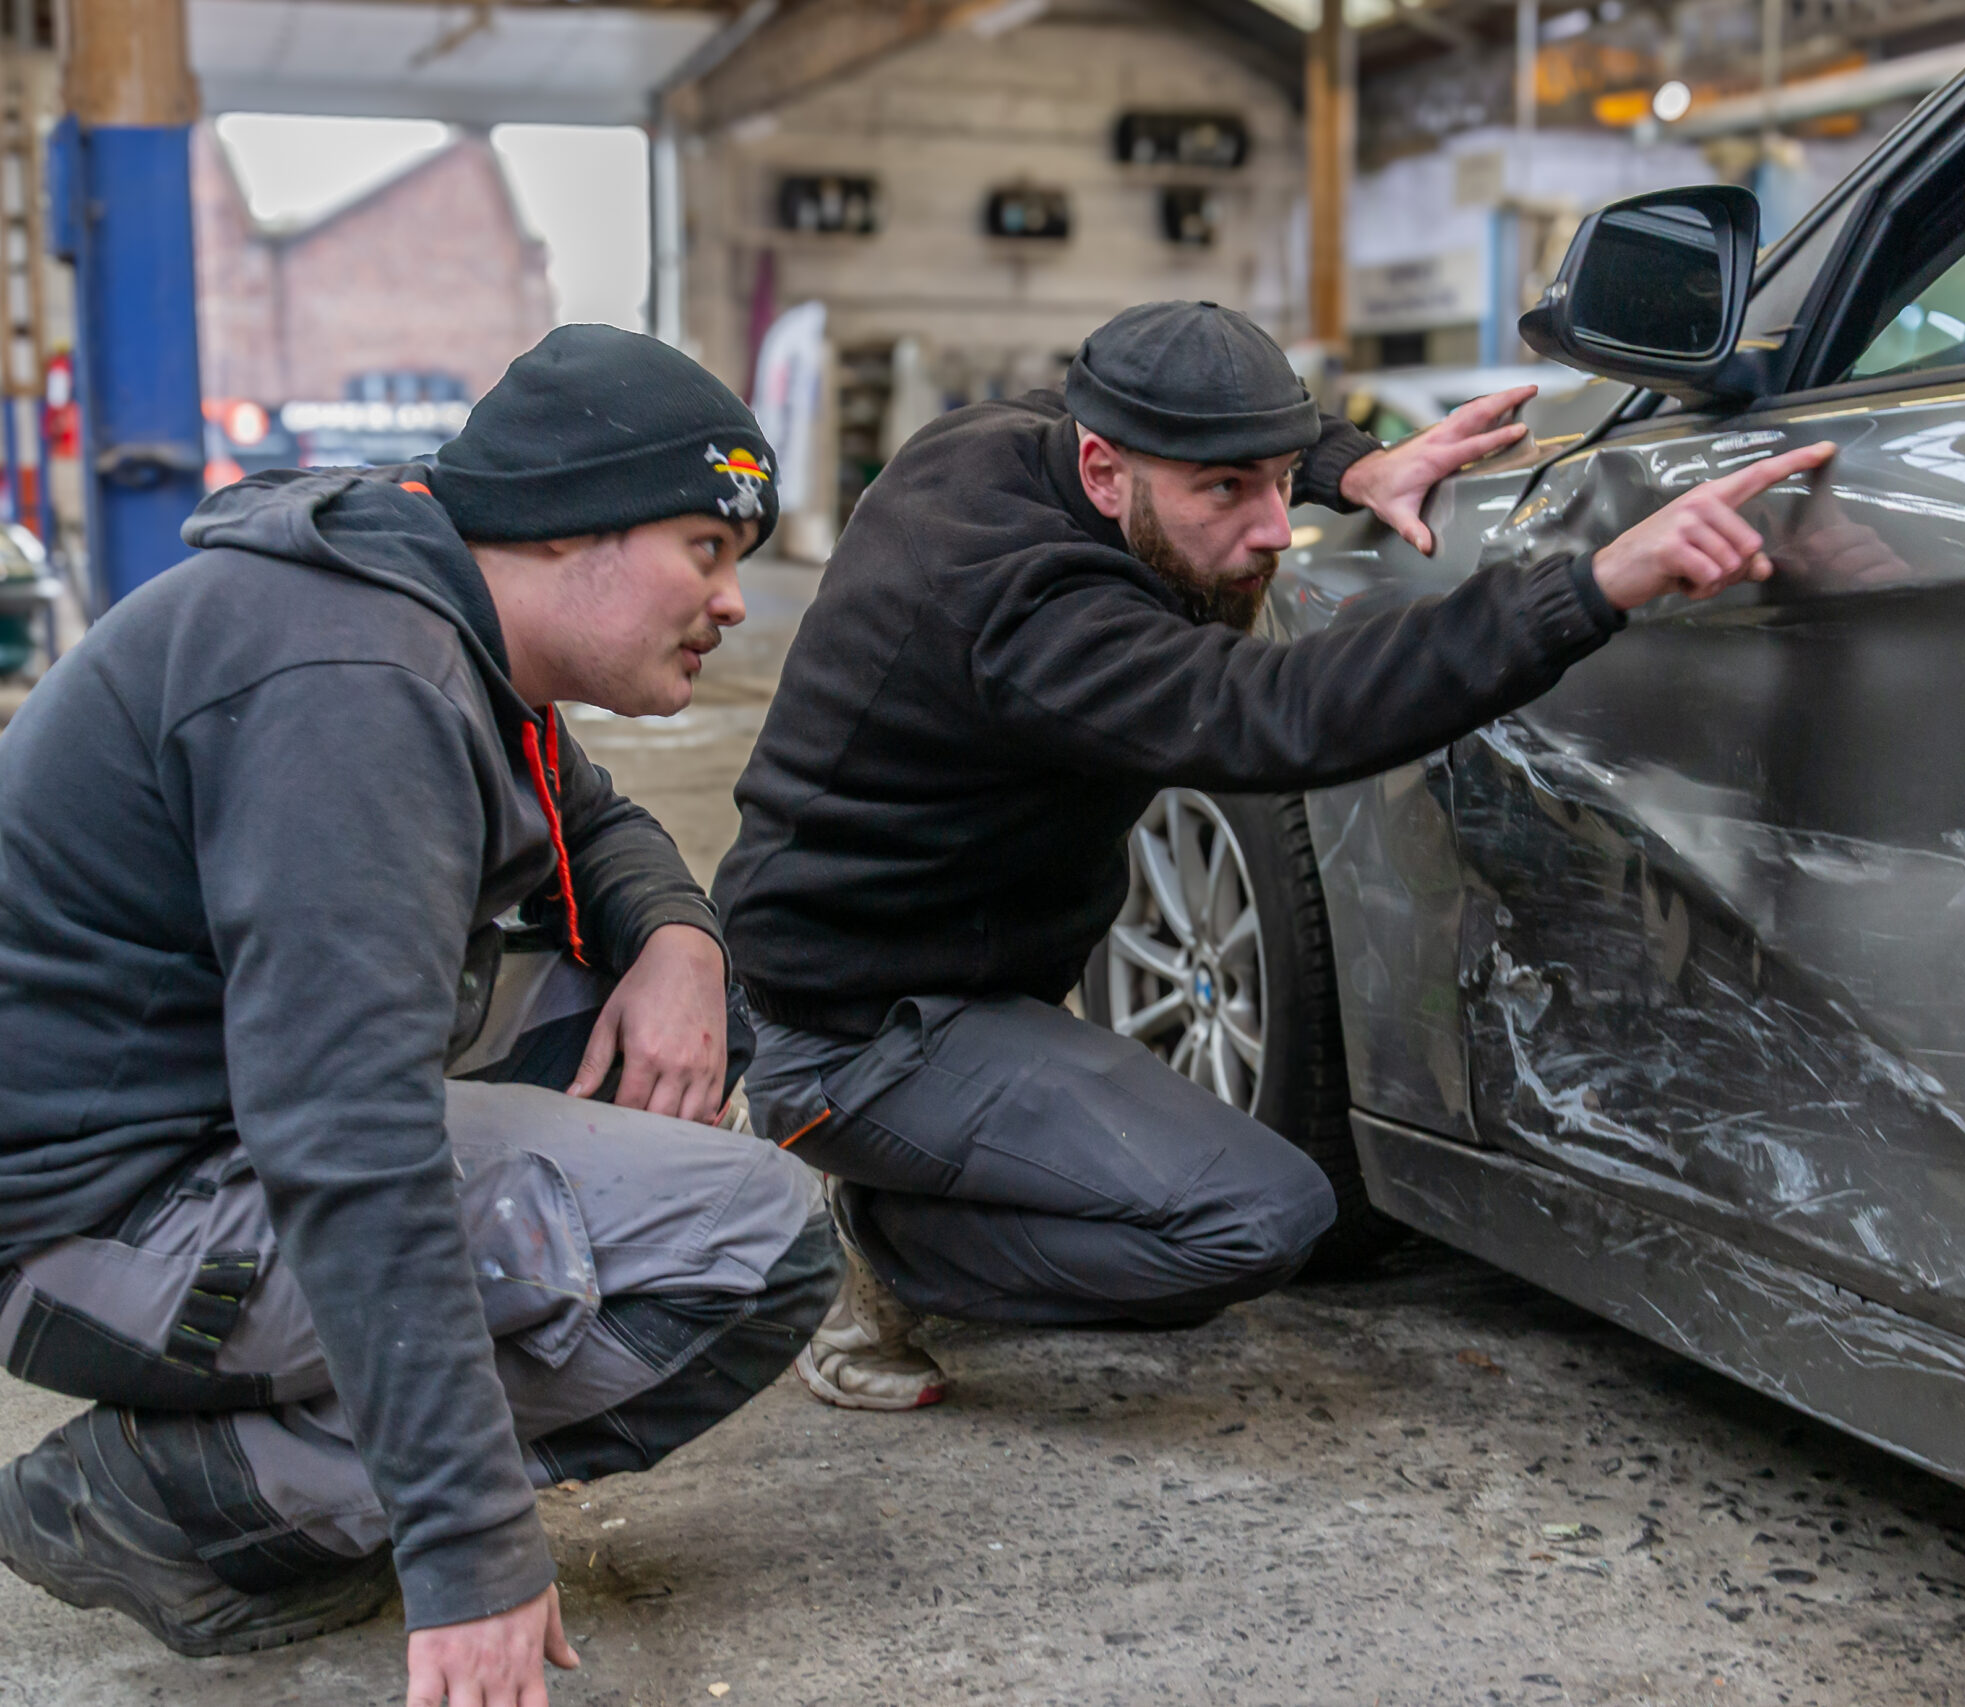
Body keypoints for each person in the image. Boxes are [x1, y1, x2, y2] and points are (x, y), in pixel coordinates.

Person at [0, 324, 839, 1707]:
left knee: (672, 1021)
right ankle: (173, 1497)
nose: (736, 600)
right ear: (575, 527)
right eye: (706, 547)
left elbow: (591, 818)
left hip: (186, 1111)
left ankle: (301, 1445)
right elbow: (349, 1134)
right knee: (753, 1247)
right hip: (67, 1225)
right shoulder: (358, 686)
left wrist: (685, 943)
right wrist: (471, 1546)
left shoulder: (427, 605)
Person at [714, 299, 1833, 1410]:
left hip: (954, 977)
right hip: (855, 1031)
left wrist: (1351, 468)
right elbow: (1285, 711)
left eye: (1274, 478)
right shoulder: (1026, 612)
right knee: (1253, 1224)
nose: (1267, 531)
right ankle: (872, 1237)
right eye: (1225, 492)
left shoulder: (995, 441)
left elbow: (1190, 450)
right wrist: (1593, 583)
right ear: (1104, 475)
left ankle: (915, 1182)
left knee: (1182, 1184)